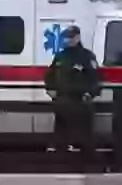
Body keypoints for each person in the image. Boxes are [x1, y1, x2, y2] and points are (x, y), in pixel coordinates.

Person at [43, 25, 102, 157]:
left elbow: (96, 78)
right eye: (66, 38)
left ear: (77, 37)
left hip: (80, 102)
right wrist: (51, 90)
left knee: (84, 140)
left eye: (70, 37)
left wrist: (90, 93)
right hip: (63, 101)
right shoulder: (60, 56)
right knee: (61, 138)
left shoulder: (87, 56)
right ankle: (60, 162)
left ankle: (87, 165)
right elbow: (49, 76)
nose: (67, 40)